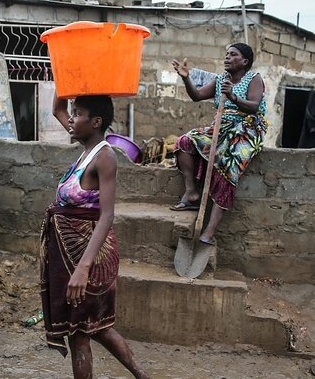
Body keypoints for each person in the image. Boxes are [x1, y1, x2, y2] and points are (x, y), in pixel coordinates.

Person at [41, 95, 148, 379]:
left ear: (96, 122)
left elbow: (107, 215)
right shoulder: (86, 147)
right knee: (96, 328)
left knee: (81, 333)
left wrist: (82, 269)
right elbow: (57, 108)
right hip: (73, 255)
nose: (71, 120)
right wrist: (68, 72)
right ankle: (143, 376)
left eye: (78, 114)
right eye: (73, 114)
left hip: (90, 256)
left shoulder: (104, 156)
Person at [169, 43, 268, 245]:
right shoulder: (221, 79)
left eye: (233, 55)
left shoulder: (254, 79)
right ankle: (192, 192)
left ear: (245, 61)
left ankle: (209, 232)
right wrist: (186, 78)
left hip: (247, 127)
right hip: (221, 126)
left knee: (229, 162)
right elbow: (196, 96)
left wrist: (233, 96)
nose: (227, 57)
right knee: (185, 142)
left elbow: (254, 106)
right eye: (226, 54)